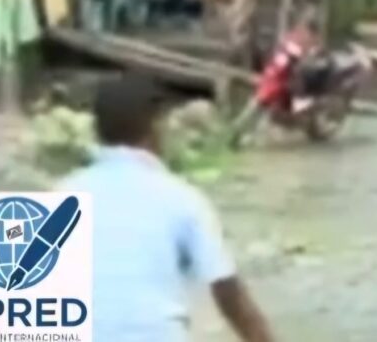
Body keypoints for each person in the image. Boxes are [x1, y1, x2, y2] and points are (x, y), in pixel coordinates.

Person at [60, 75, 274, 342]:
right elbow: (231, 296)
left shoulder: (62, 194)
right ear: (155, 127)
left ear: (97, 131)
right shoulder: (181, 198)